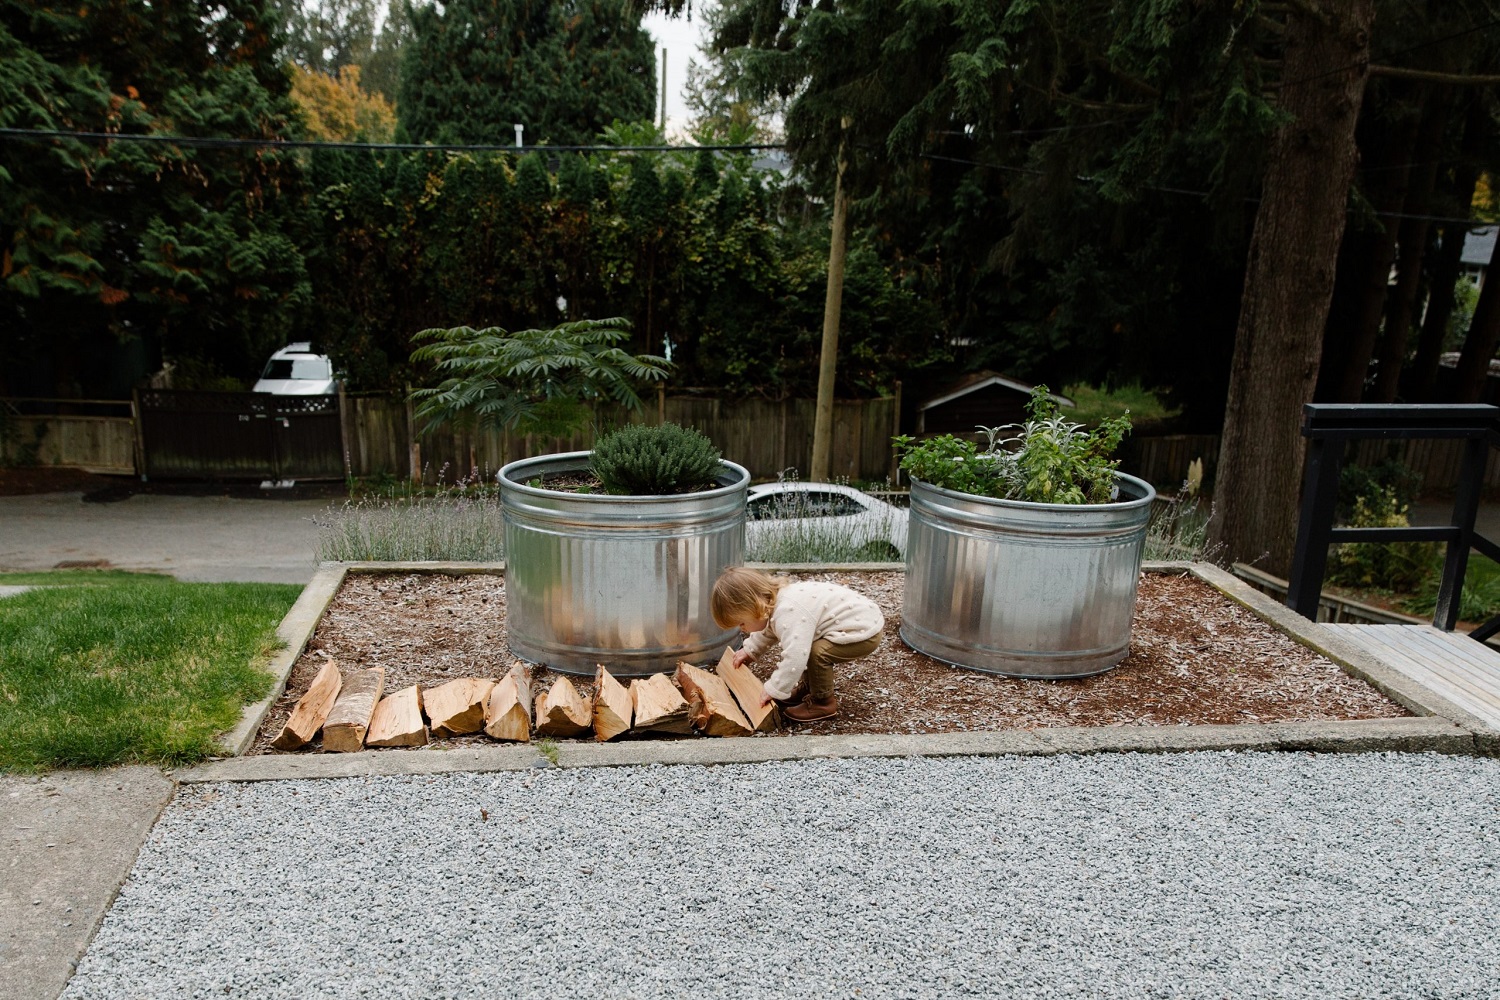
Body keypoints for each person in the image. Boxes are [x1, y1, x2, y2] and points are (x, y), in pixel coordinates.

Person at [709, 566, 884, 723]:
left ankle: (823, 702)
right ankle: (809, 688)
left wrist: (775, 688)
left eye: (741, 623)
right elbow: (768, 629)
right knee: (810, 644)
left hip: (862, 631)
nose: (743, 629)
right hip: (854, 620)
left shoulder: (788, 612)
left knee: (817, 653)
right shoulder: (772, 604)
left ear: (756, 606)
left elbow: (795, 657)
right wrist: (750, 650)